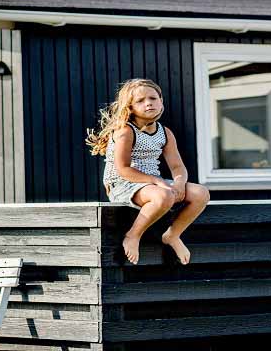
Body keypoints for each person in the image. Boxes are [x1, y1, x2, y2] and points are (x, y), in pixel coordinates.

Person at [85, 78, 210, 265]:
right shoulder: (125, 131)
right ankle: (133, 235)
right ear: (130, 107)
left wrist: (179, 182)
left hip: (154, 183)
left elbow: (177, 167)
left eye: (153, 98)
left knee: (201, 193)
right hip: (123, 183)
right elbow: (123, 169)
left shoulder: (165, 132)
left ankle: (172, 235)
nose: (148, 103)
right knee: (164, 196)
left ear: (161, 102)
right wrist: (159, 183)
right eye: (140, 101)